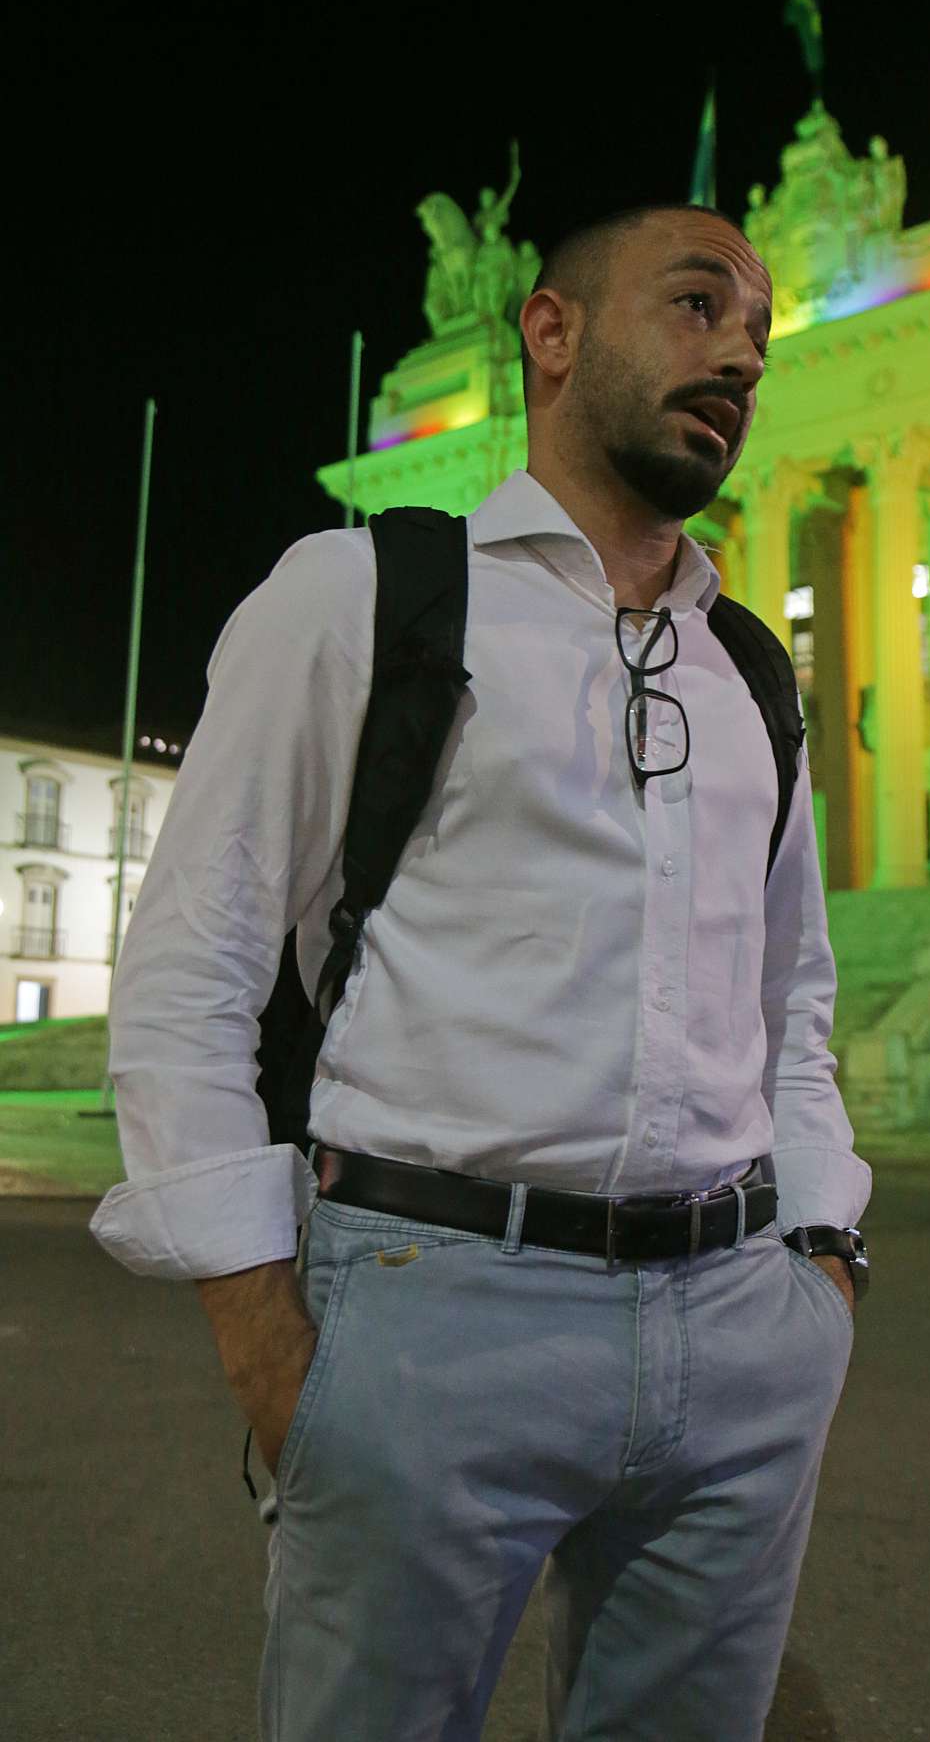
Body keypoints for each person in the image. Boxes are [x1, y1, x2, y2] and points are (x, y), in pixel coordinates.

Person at [89, 201, 872, 1741]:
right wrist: (263, 1328)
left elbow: (792, 1001)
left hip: (738, 1331)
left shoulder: (749, 674)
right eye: (699, 304)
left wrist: (825, 1256)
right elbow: (194, 971)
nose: (740, 355)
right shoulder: (360, 597)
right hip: (432, 1316)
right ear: (552, 331)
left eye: (760, 335)